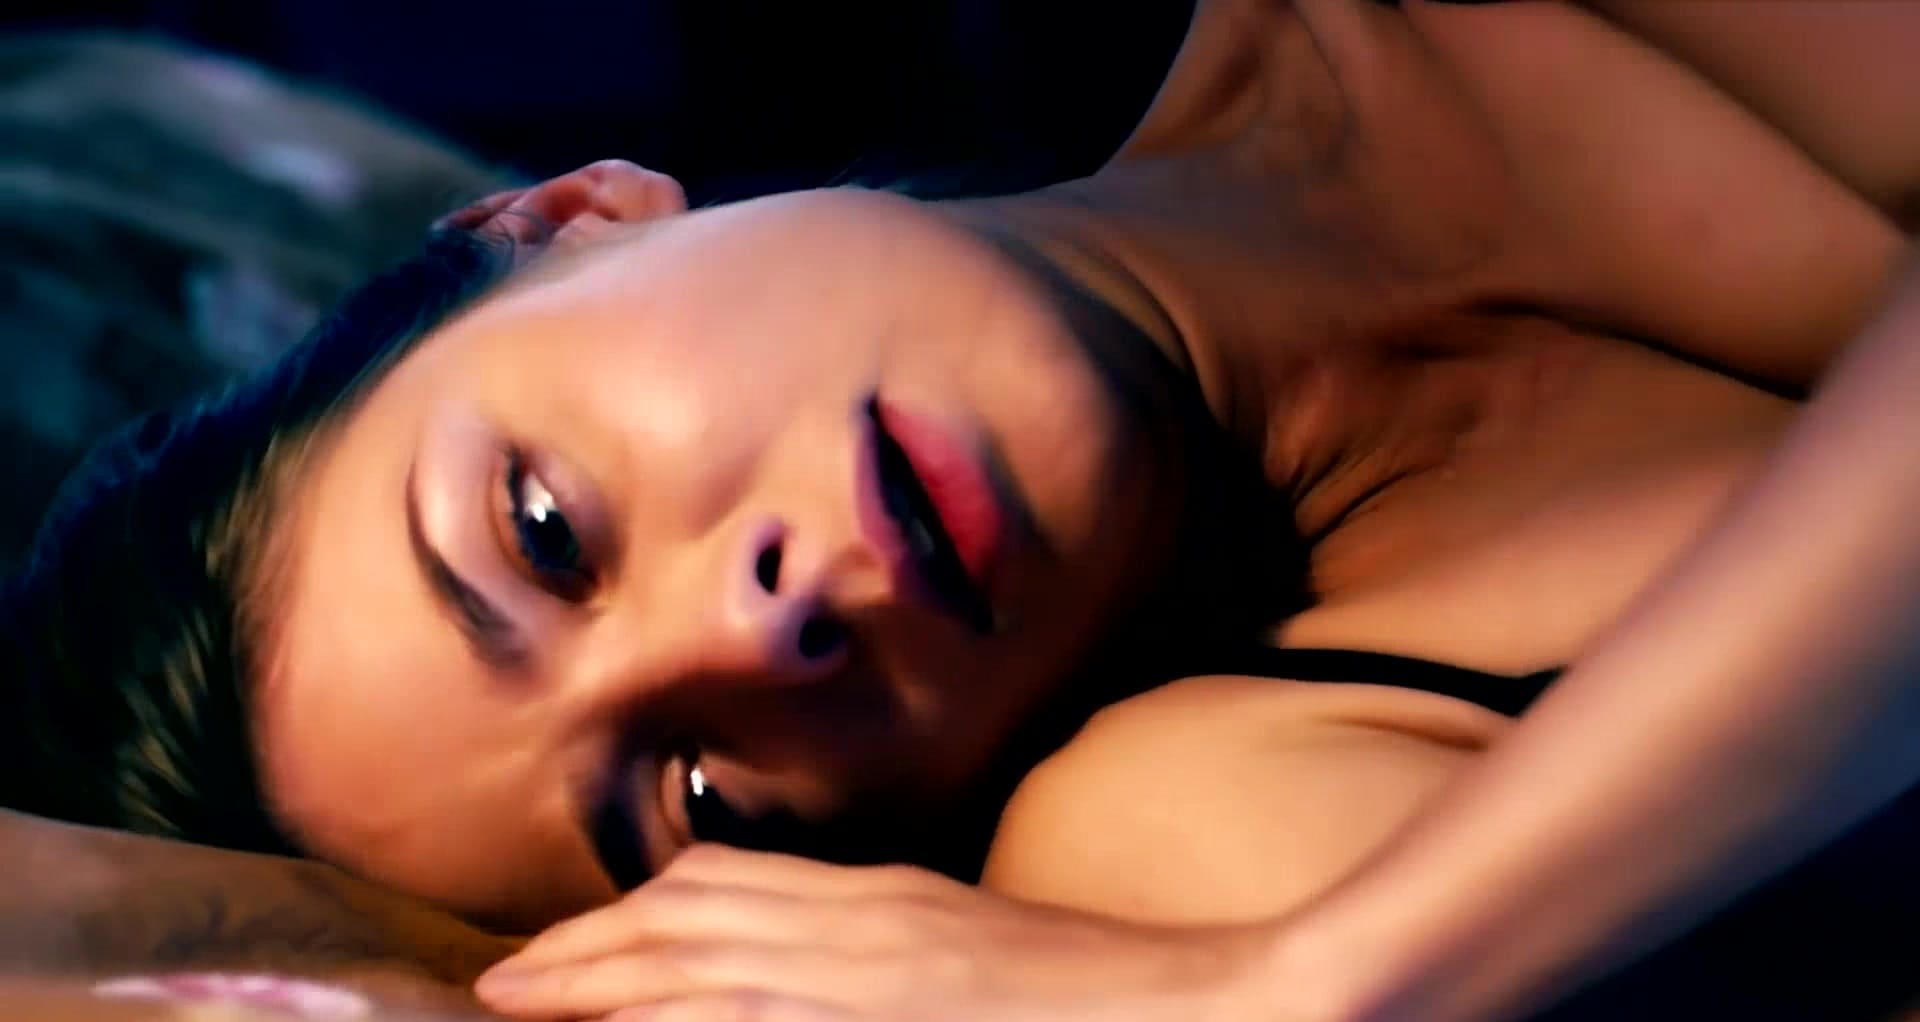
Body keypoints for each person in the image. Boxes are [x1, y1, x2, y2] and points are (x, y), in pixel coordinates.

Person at [4, 0, 1917, 1018]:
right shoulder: (1190, 827)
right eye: (698, 797)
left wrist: (1328, 977)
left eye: (548, 531)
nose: (756, 629)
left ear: (565, 219)